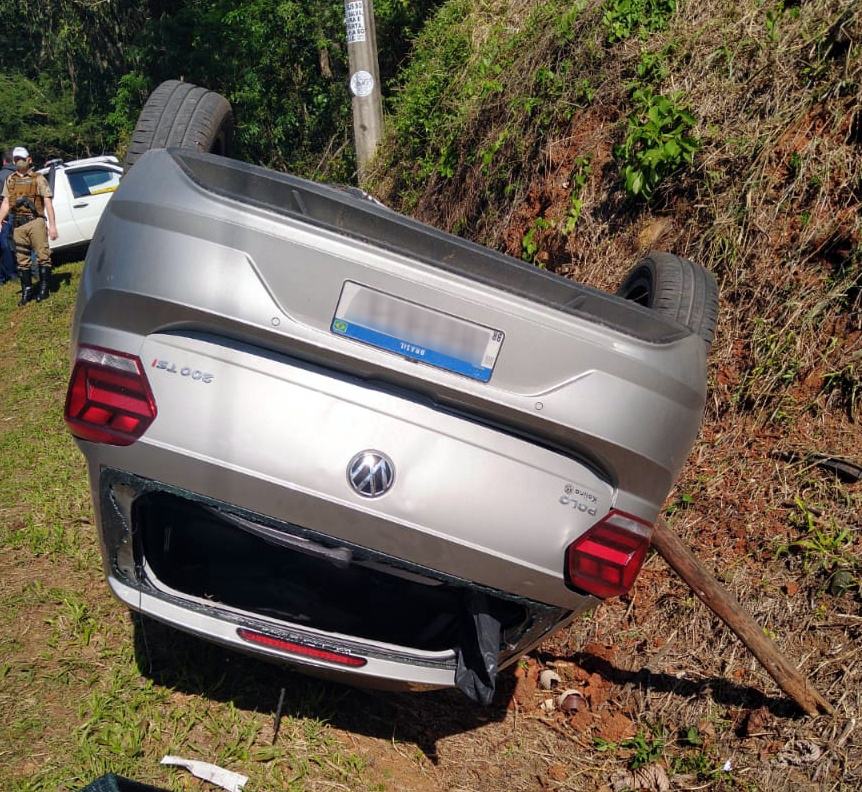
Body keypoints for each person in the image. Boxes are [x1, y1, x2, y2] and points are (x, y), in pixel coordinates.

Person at [0, 146, 58, 305]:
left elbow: (48, 202)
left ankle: (44, 288)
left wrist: (52, 226)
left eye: (22, 159)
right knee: (22, 260)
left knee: (43, 256)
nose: (19, 162)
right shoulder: (10, 180)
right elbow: (6, 202)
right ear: (13, 160)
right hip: (18, 225)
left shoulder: (38, 178)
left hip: (35, 222)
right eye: (17, 159)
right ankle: (27, 291)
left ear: (29, 160)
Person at [0, 149, 17, 284]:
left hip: (5, 214)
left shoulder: (2, 175)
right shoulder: (23, 174)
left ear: (4, 161)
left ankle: (8, 274)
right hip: (22, 212)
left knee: (5, 245)